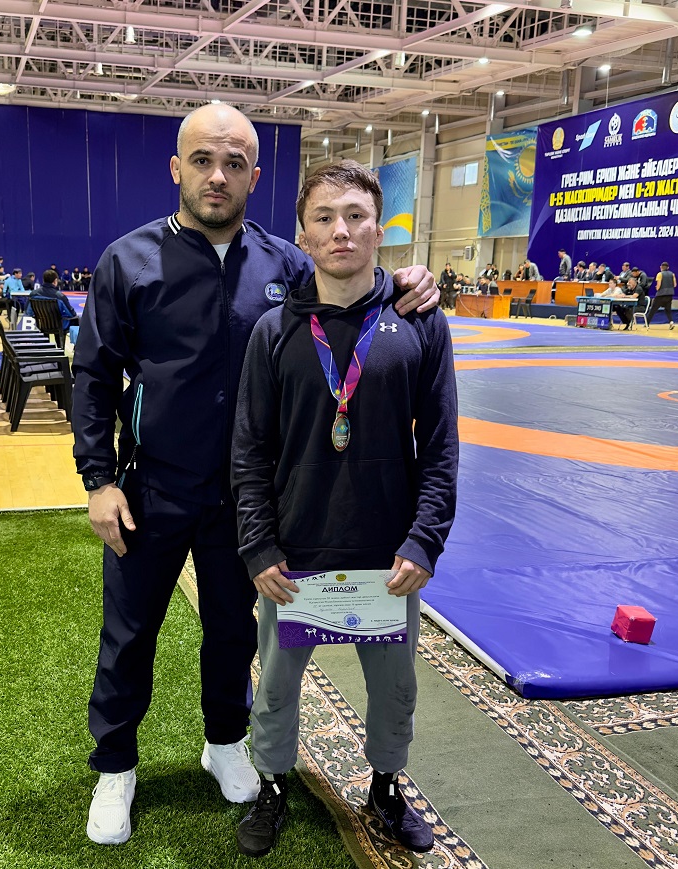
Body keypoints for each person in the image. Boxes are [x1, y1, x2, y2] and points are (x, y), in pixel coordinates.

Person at [71, 102, 439, 848]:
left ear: (254, 177)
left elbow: (350, 281)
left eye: (234, 163)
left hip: (248, 498)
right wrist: (98, 479)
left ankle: (224, 741)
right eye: (203, 160)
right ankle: (116, 766)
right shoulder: (127, 260)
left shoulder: (286, 264)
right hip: (152, 489)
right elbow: (94, 375)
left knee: (232, 631)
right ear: (176, 169)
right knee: (129, 634)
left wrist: (410, 280)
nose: (218, 176)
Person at [229, 161, 458, 858]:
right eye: (325, 217)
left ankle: (385, 786)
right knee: (275, 688)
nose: (341, 230)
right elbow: (249, 449)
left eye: (356, 215)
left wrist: (424, 540)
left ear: (378, 228)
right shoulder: (274, 331)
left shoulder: (419, 322)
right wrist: (259, 546)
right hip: (295, 555)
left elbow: (441, 445)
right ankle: (273, 783)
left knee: (395, 691)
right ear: (303, 235)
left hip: (386, 558)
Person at [647, 262, 677, 330]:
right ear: (668, 267)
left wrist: (657, 288)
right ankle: (671, 321)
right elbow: (675, 285)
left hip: (661, 295)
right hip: (669, 294)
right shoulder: (672, 274)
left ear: (661, 267)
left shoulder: (660, 274)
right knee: (668, 309)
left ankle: (647, 323)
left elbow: (659, 285)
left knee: (653, 309)